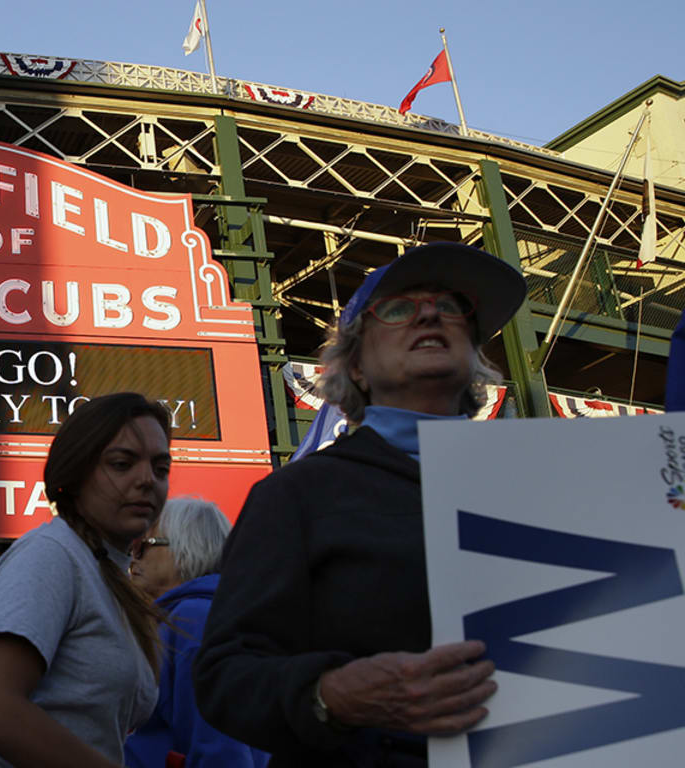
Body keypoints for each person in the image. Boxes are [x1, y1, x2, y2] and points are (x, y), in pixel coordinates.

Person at [194, 243, 522, 767]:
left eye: (452, 305)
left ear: (476, 355)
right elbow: (224, 676)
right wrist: (330, 694)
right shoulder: (298, 494)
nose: (431, 313)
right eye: (397, 309)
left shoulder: (542, 486)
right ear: (358, 368)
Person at [0, 392, 171, 768]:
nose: (146, 480)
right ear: (75, 475)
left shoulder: (108, 577)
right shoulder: (50, 554)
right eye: (122, 464)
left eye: (161, 468)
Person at [124, 497, 267, 768]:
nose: (133, 555)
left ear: (185, 546)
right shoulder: (215, 613)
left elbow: (220, 748)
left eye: (143, 545)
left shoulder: (193, 619)